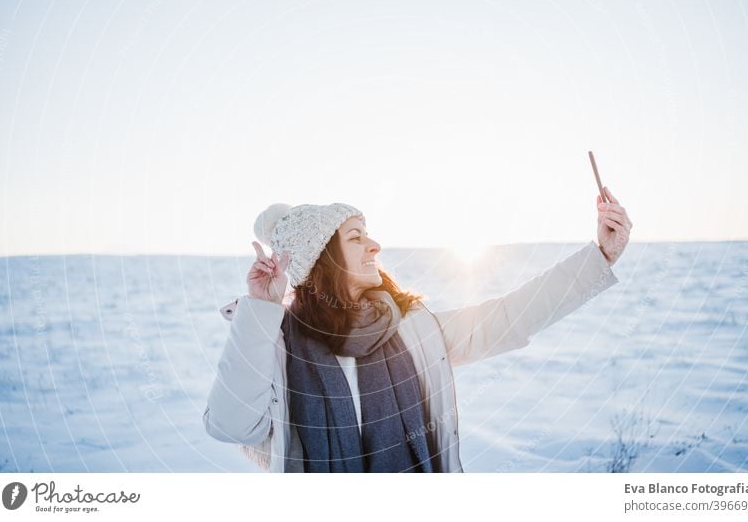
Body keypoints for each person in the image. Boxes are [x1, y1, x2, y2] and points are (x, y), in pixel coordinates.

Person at [203, 188, 632, 472]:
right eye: (356, 238)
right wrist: (261, 308)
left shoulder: (413, 328)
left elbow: (509, 316)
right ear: (322, 259)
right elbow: (231, 425)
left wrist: (599, 257)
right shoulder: (277, 347)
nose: (375, 245)